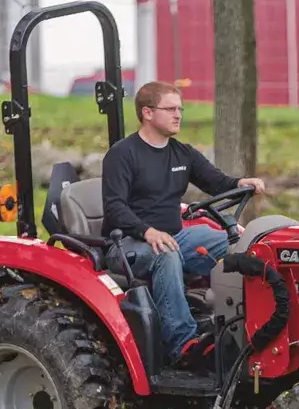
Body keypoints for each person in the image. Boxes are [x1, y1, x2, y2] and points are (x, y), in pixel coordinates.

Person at [101, 80, 266, 369]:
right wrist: (147, 231)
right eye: (170, 109)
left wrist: (241, 183)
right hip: (126, 244)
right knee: (166, 252)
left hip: (174, 237)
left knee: (238, 243)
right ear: (148, 113)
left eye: (180, 109)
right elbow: (114, 207)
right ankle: (183, 344)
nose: (178, 115)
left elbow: (217, 182)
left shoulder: (182, 153)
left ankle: (247, 323)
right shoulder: (123, 154)